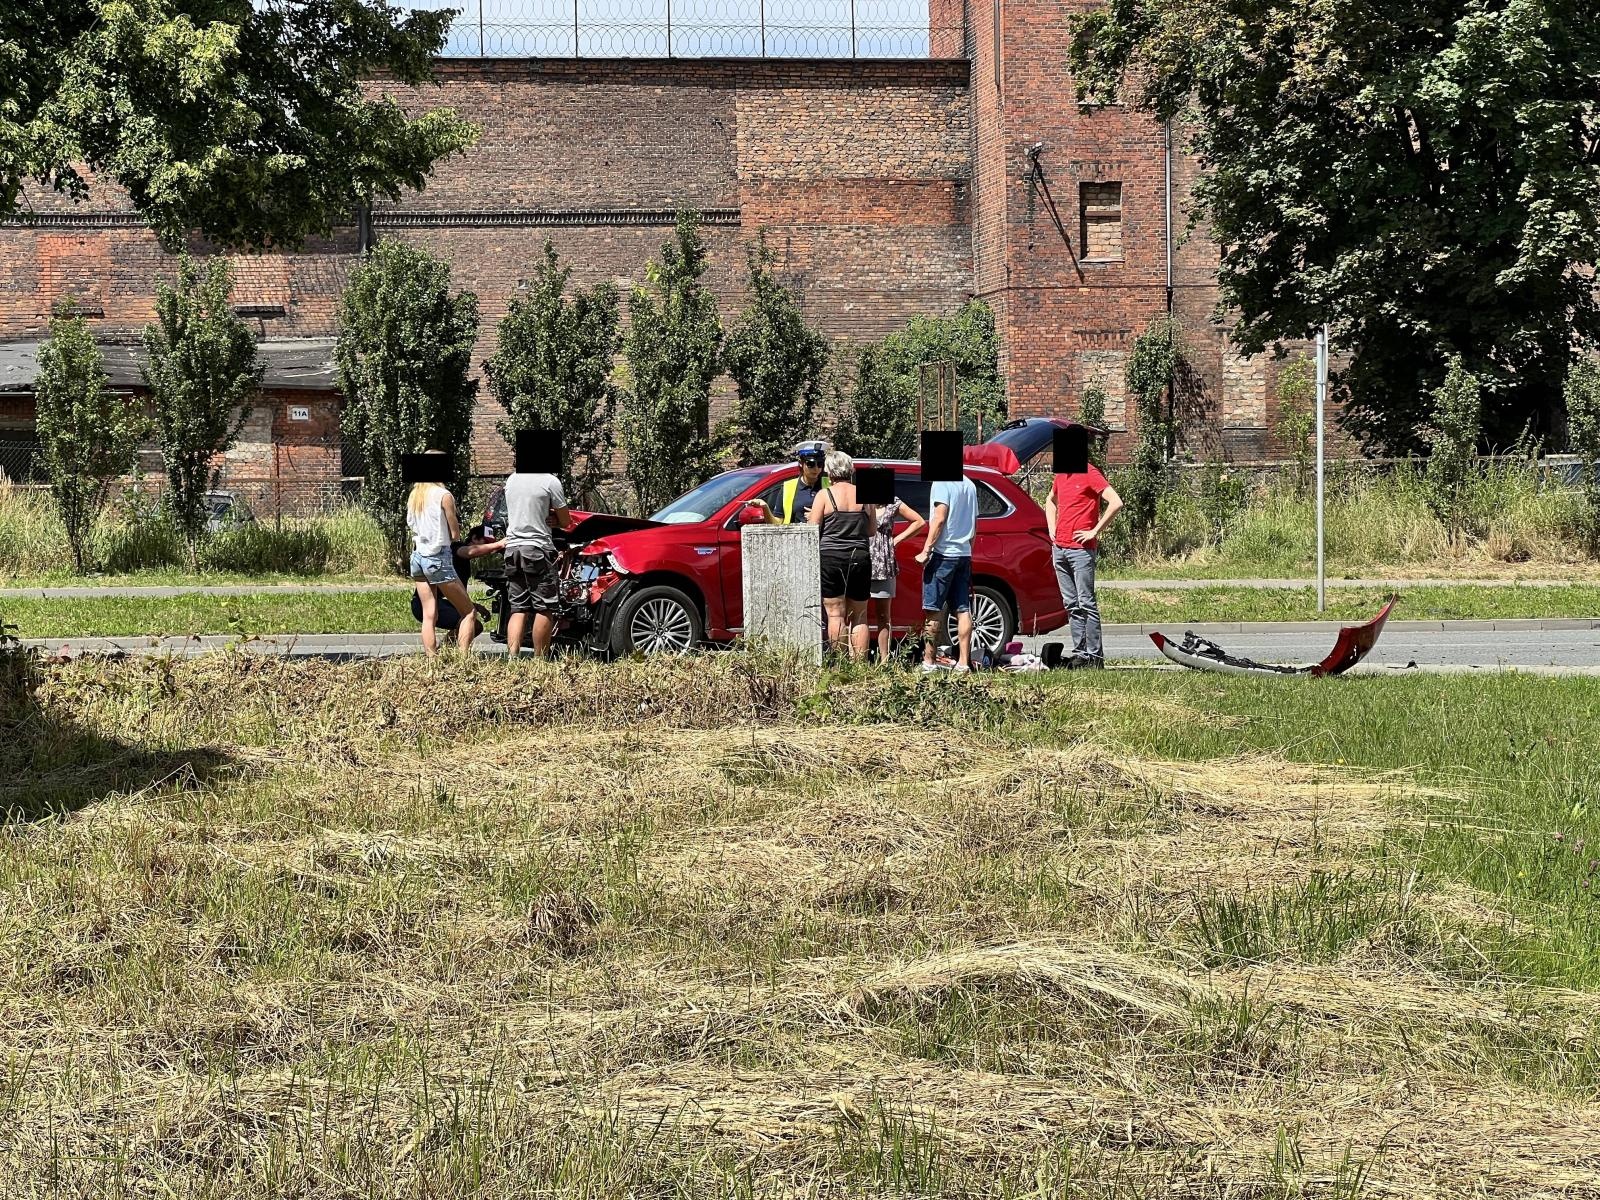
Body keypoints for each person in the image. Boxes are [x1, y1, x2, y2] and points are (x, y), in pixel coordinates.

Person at [472, 463, 573, 658]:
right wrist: (554, 519)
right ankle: (540, 659)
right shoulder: (550, 481)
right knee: (544, 608)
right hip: (537, 549)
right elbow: (566, 521)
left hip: (512, 550)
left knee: (518, 608)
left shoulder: (512, 480)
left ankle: (512, 657)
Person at [1044, 451, 1122, 668]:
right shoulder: (1061, 475)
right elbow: (1050, 500)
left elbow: (1116, 502)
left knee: (1086, 602)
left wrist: (1094, 531)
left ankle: (1095, 657)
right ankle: (1080, 653)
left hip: (1081, 550)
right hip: (1060, 548)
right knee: (1071, 604)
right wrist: (1052, 528)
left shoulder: (1089, 472)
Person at [405, 456, 478, 657]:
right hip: (438, 558)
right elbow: (455, 535)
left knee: (430, 614)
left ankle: (431, 660)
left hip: (418, 558)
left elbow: (411, 524)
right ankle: (463, 660)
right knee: (469, 613)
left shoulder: (415, 495)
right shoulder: (444, 495)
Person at [808, 450, 876, 660]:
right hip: (860, 557)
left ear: (829, 472)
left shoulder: (824, 495)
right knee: (860, 616)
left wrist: (811, 515)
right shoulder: (866, 494)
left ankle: (839, 665)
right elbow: (872, 530)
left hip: (831, 558)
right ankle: (859, 665)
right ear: (851, 470)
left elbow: (813, 528)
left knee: (835, 614)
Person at [914, 471, 979, 673]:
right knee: (962, 609)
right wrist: (969, 550)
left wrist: (926, 550)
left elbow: (939, 518)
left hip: (943, 554)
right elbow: (974, 526)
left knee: (933, 609)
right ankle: (963, 663)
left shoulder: (942, 482)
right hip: (963, 553)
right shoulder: (969, 484)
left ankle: (929, 662)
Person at [867, 489, 925, 663]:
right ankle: (857, 659)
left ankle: (884, 660)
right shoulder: (860, 500)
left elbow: (919, 521)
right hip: (862, 560)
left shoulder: (892, 502)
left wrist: (896, 540)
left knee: (883, 615)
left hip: (884, 563)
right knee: (856, 614)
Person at [751, 440, 829, 525]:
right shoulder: (788, 487)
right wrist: (765, 507)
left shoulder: (828, 485)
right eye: (811, 464)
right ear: (800, 463)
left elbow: (840, 517)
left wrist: (818, 516)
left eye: (820, 464)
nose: (816, 468)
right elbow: (777, 523)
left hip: (824, 537)